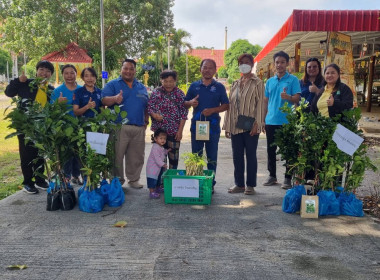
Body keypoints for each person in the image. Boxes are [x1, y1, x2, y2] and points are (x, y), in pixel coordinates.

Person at [5, 60, 55, 194]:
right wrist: (17, 81)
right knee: (26, 154)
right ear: (37, 71)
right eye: (42, 69)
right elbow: (9, 93)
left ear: (50, 74)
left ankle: (39, 180)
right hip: (25, 126)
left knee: (40, 154)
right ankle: (28, 182)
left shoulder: (50, 90)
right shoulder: (26, 83)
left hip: (42, 128)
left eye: (48, 71)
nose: (44, 73)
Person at [102, 58, 149, 188]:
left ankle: (134, 180)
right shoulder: (112, 84)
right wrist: (115, 99)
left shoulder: (141, 87)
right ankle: (117, 181)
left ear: (135, 71)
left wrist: (146, 121)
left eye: (131, 69)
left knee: (136, 156)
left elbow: (146, 105)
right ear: (121, 69)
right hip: (119, 126)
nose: (128, 71)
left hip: (138, 127)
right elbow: (104, 100)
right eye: (125, 68)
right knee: (116, 156)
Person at [184, 59, 229, 192]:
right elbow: (185, 103)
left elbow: (226, 105)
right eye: (205, 67)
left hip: (213, 128)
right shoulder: (194, 86)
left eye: (210, 68)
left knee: (211, 157)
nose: (207, 70)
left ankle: (210, 184)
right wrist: (190, 102)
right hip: (197, 126)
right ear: (200, 69)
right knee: (196, 156)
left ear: (215, 70)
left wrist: (213, 110)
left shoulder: (219, 87)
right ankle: (196, 183)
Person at [224, 54, 265, 195]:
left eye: (247, 62)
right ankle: (239, 184)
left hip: (250, 125)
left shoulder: (258, 83)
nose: (244, 64)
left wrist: (257, 124)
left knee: (251, 156)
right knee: (237, 156)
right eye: (241, 62)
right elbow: (230, 106)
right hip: (235, 125)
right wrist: (227, 125)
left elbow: (261, 104)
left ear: (252, 64)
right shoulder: (235, 83)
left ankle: (250, 185)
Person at [263, 51, 301, 189]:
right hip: (271, 121)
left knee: (288, 151)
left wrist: (289, 98)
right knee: (271, 150)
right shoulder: (269, 81)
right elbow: (265, 101)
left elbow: (297, 98)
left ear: (287, 63)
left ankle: (287, 178)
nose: (279, 65)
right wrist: (263, 119)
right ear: (274, 64)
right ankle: (272, 176)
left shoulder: (293, 80)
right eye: (277, 62)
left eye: (282, 62)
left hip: (287, 121)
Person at [148, 70, 188, 169]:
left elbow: (184, 113)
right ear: (161, 81)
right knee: (159, 158)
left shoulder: (179, 94)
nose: (168, 84)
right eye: (165, 81)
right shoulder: (156, 92)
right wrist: (154, 115)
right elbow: (150, 107)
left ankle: (172, 179)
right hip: (160, 132)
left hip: (174, 133)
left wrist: (180, 131)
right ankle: (161, 181)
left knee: (174, 158)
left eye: (171, 81)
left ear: (175, 81)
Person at [50, 64, 82, 185]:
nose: (69, 76)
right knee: (66, 155)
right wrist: (57, 103)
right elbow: (51, 111)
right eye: (66, 73)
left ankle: (76, 175)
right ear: (63, 75)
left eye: (72, 73)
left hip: (79, 127)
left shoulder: (80, 89)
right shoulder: (57, 91)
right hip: (64, 128)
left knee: (78, 154)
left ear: (76, 74)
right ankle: (66, 177)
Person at [146, 128, 170, 199]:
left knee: (158, 179)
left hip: (158, 168)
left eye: (164, 139)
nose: (163, 140)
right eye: (161, 138)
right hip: (152, 168)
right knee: (152, 180)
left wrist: (166, 151)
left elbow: (162, 153)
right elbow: (157, 158)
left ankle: (158, 188)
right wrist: (163, 164)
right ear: (155, 139)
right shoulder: (155, 147)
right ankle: (151, 192)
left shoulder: (160, 146)